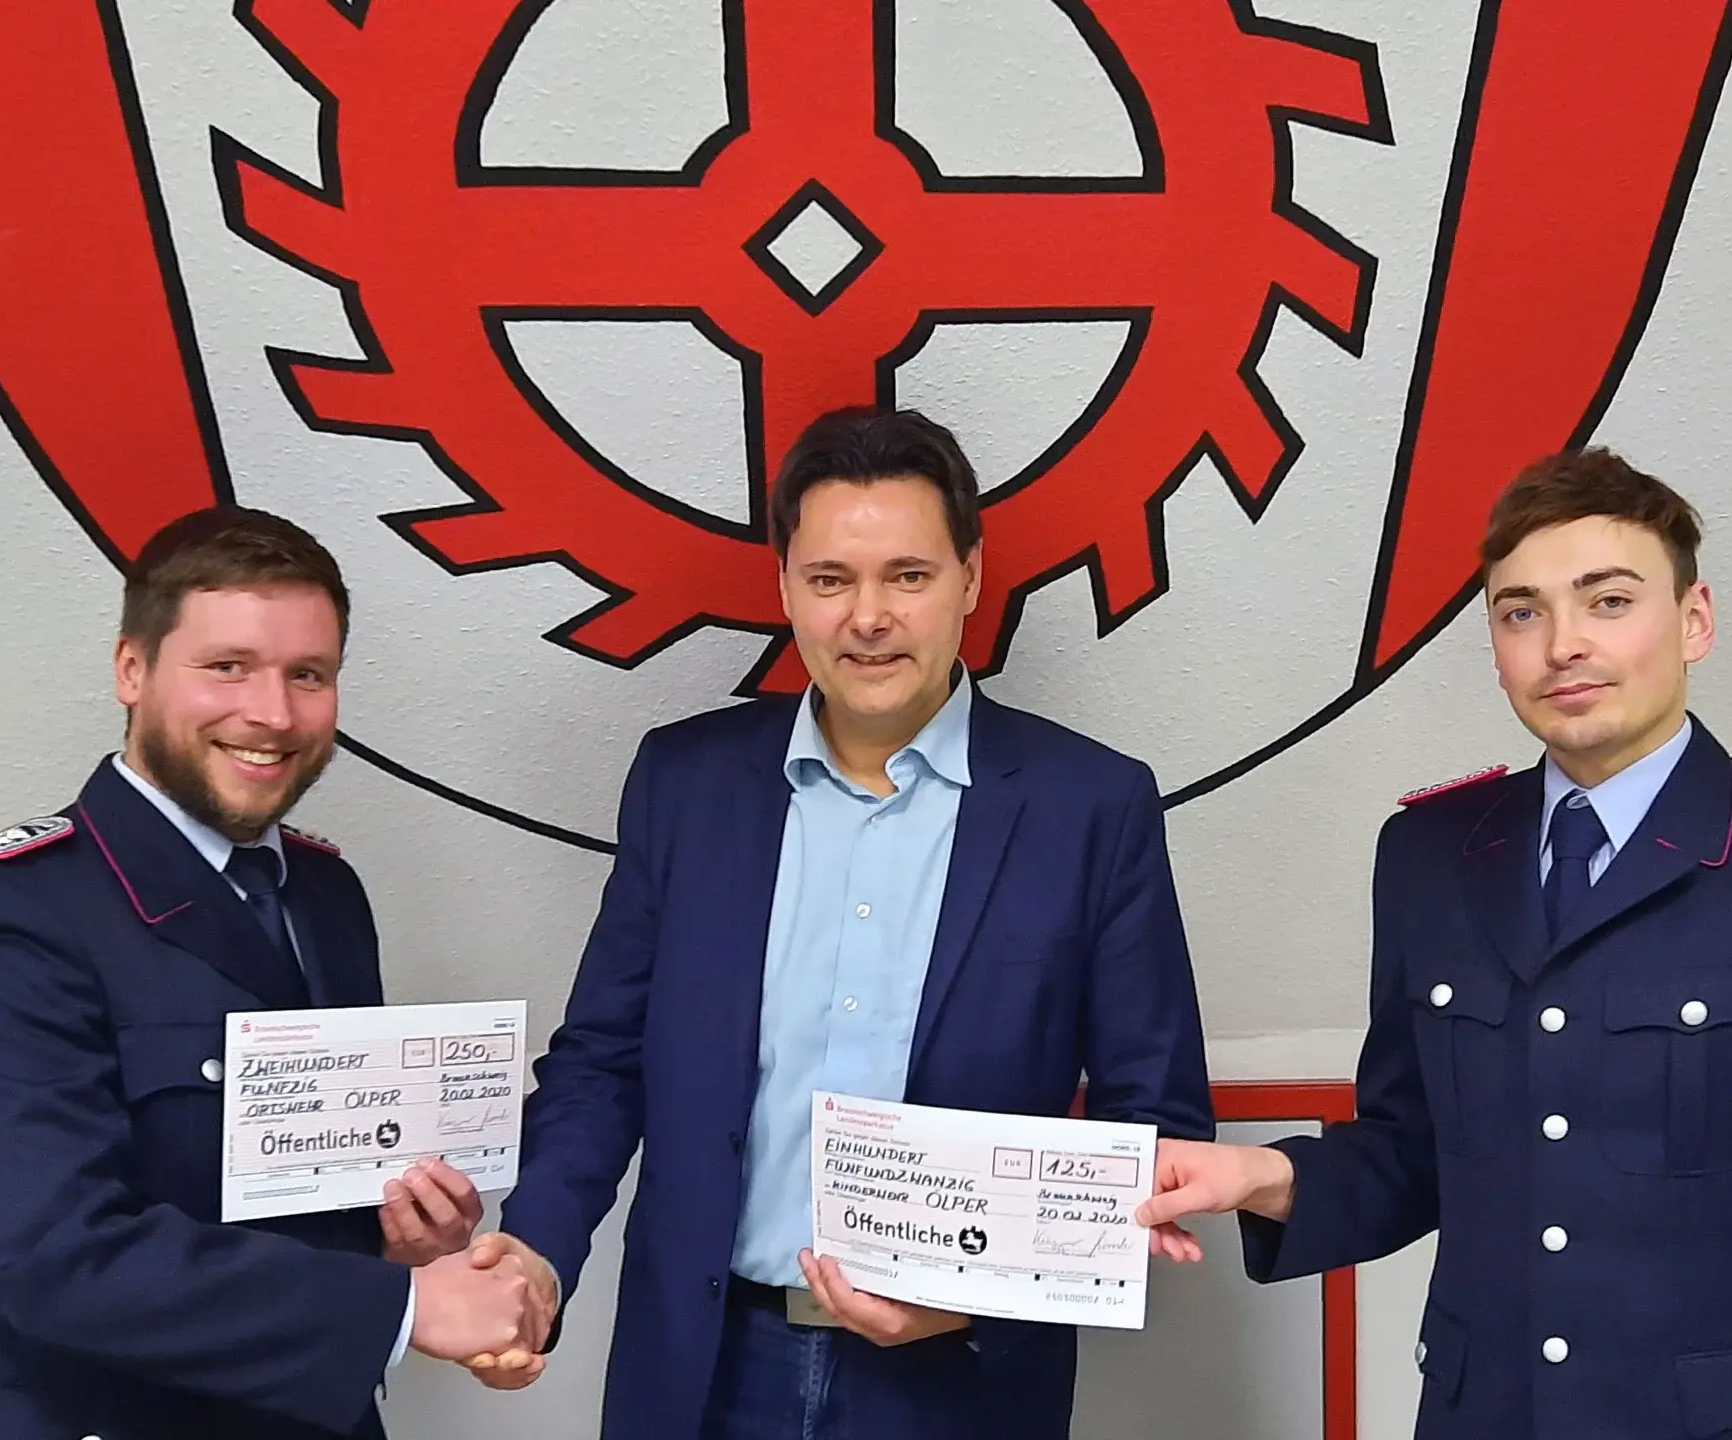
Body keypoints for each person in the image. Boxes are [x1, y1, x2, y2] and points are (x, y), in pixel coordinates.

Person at [461, 407, 1214, 1439]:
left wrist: (979, 1302)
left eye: (908, 576)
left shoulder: (1091, 806)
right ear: (785, 587)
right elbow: (603, 1058)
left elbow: (1155, 1125)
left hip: (959, 1386)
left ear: (970, 578)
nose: (868, 616)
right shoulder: (685, 784)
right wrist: (538, 1253)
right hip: (705, 1368)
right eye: (830, 579)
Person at [1136, 447, 1732, 1437]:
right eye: (1521, 612)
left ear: (1694, 620)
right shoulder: (1431, 855)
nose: (1563, 645)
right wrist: (1264, 1179)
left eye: (1608, 601)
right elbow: (1417, 1152)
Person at [0, 508, 540, 1440]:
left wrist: (399, 1236)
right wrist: (404, 1311)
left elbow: (298, 1183)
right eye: (228, 666)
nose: (273, 714)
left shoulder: (324, 893)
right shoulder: (12, 910)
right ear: (131, 670)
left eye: (307, 675)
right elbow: (52, 1255)